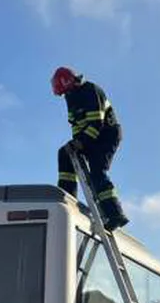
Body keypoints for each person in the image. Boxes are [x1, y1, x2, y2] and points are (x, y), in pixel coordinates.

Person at [50, 66, 130, 232]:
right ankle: (67, 196)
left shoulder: (91, 91)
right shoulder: (70, 96)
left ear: (68, 82)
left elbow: (96, 123)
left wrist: (81, 142)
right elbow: (76, 124)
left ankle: (115, 214)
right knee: (64, 153)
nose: (65, 95)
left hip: (106, 135)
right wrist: (75, 144)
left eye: (64, 90)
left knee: (97, 171)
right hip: (89, 136)